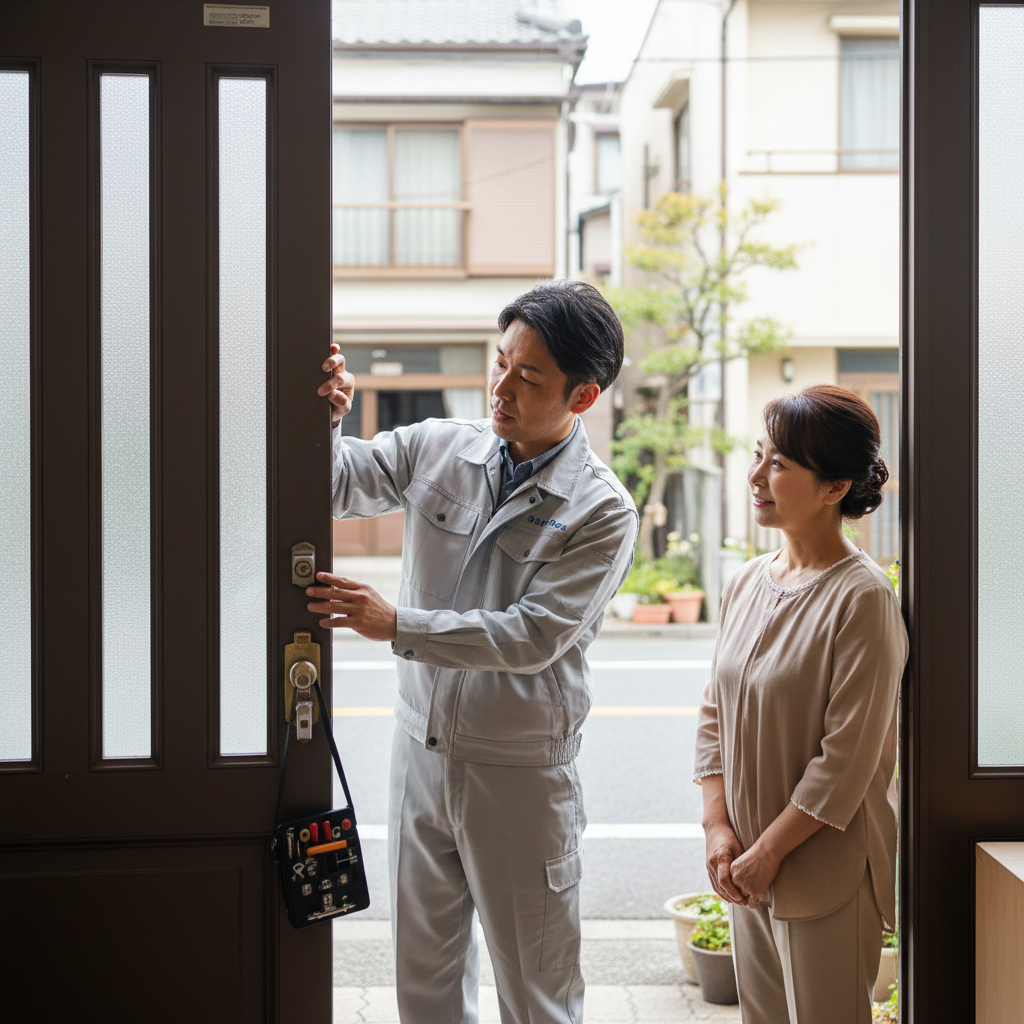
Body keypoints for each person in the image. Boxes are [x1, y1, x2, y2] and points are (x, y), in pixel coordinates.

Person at [308, 280, 638, 1024]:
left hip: (518, 771)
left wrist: (397, 624)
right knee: (423, 985)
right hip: (418, 755)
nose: (502, 388)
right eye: (500, 363)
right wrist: (328, 417)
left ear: (582, 397)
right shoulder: (438, 446)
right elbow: (332, 484)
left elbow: (532, 635)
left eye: (529, 377)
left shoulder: (602, 509)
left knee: (538, 994)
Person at [693, 384, 909, 1024]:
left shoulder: (862, 598)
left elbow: (845, 760)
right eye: (759, 455)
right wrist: (718, 830)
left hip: (824, 869)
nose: (757, 476)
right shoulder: (744, 582)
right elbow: (714, 715)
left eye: (780, 463)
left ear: (835, 487)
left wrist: (769, 854)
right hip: (744, 866)